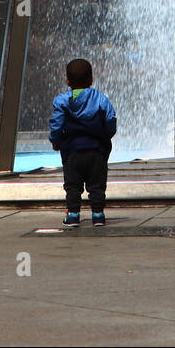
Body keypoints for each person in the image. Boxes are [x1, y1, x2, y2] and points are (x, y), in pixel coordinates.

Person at [49, 58, 117, 228]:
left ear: (67, 80)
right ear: (91, 79)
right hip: (96, 151)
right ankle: (98, 214)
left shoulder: (62, 101)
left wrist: (56, 141)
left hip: (72, 152)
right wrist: (106, 136)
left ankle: (73, 215)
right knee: (97, 186)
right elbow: (110, 120)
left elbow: (56, 124)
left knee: (72, 185)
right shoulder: (101, 99)